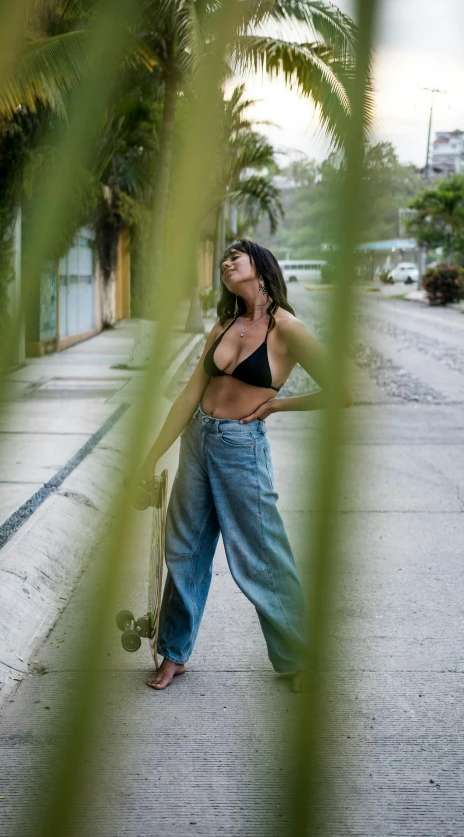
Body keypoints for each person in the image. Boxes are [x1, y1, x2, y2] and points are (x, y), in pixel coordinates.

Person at [138, 239, 352, 693]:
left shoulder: (288, 329)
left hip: (241, 448)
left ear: (261, 267)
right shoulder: (223, 324)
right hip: (198, 440)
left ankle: (299, 657)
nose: (226, 262)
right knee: (184, 549)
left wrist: (276, 406)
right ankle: (173, 653)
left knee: (261, 557)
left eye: (236, 256)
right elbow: (189, 395)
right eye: (223, 259)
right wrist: (152, 454)